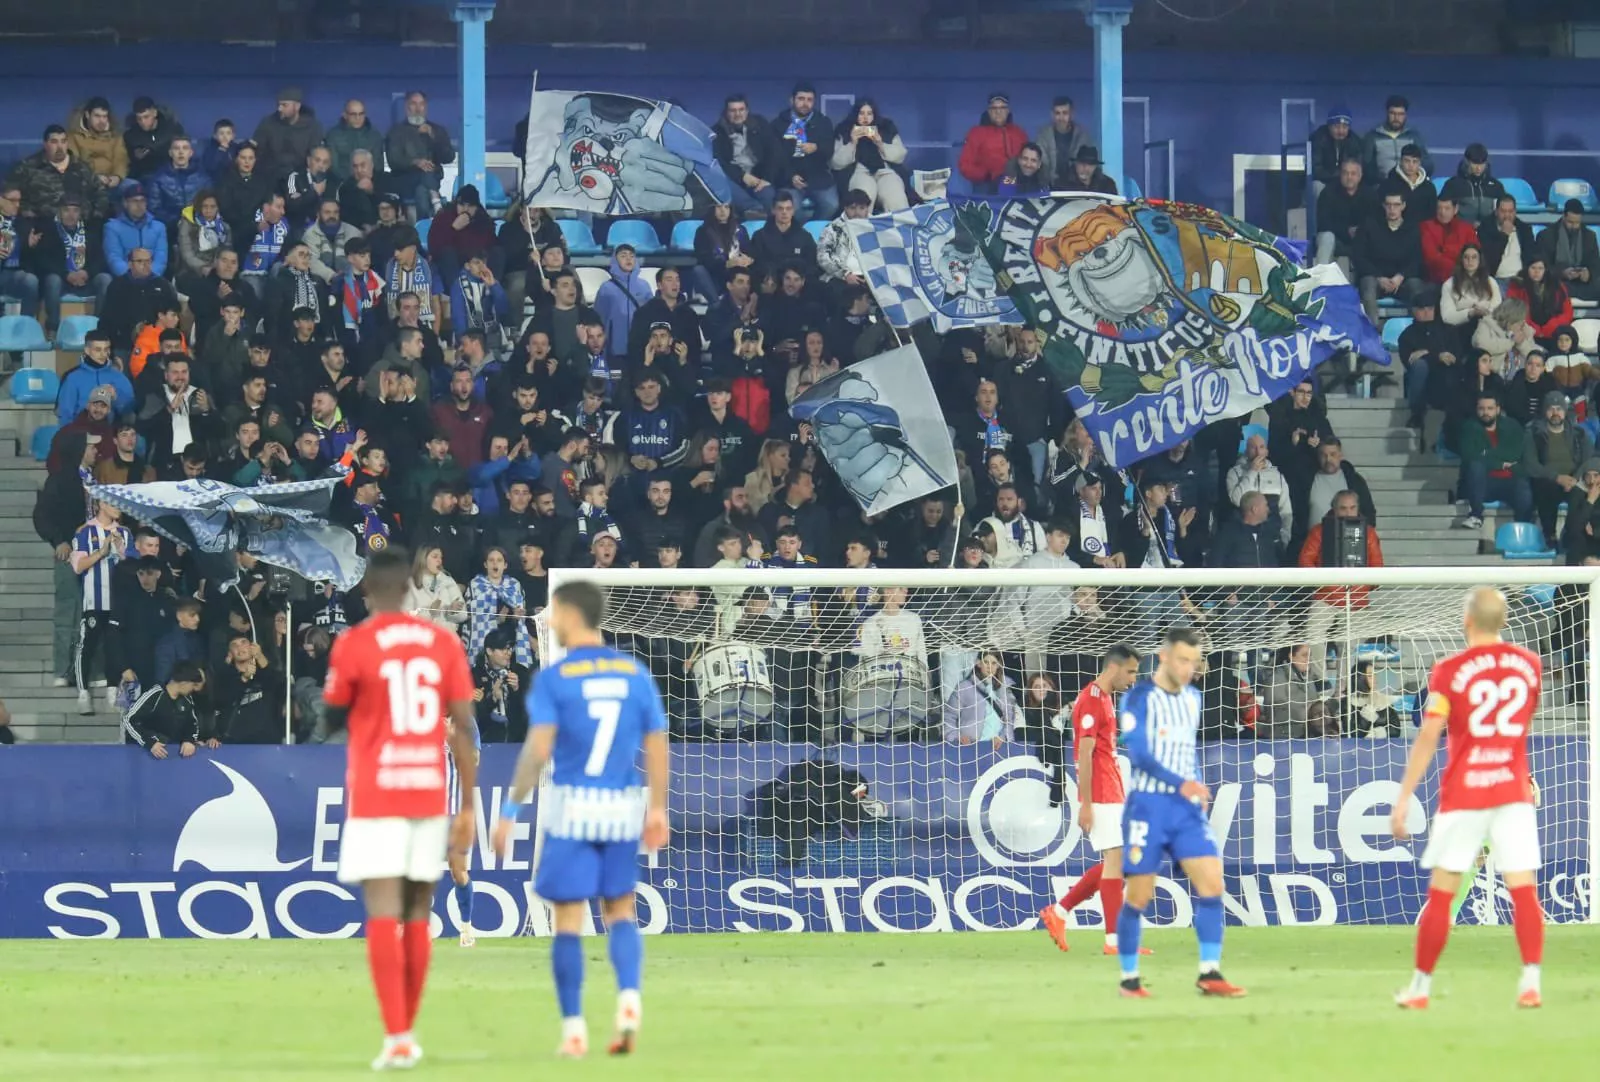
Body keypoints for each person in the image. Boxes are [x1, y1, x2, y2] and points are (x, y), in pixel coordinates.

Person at [492, 580, 670, 1058]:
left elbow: (538, 749)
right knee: (620, 912)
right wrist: (657, 808)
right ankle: (629, 1001)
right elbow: (656, 741)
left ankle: (573, 1028)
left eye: (552, 612)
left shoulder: (555, 678)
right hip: (621, 809)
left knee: (568, 919)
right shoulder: (633, 672)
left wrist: (510, 810)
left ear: (571, 614)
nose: (548, 621)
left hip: (572, 809)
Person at [321, 547, 478, 1070]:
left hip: (376, 793)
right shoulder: (442, 643)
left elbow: (329, 716)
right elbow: (464, 735)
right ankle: (409, 1028)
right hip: (428, 793)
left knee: (382, 912)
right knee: (417, 913)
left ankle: (398, 1036)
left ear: (368, 589)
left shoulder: (355, 643)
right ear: (412, 586)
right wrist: (469, 807)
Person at [1390, 587, 1544, 1010]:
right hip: (1512, 790)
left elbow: (1429, 734)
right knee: (1523, 890)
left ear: (1467, 621)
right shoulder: (1530, 666)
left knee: (1442, 893)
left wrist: (1404, 797)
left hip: (1466, 793)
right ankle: (1531, 982)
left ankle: (1420, 989)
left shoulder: (1449, 670)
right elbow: (1517, 728)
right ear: (1504, 621)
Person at [1113, 627, 1244, 999]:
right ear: (1164, 656)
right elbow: (1138, 753)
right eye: (1183, 660)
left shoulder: (1193, 698)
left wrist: (1196, 784)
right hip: (1148, 808)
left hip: (1184, 810)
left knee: (1213, 885)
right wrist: (1180, 783)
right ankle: (1129, 980)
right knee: (1138, 898)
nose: (1189, 668)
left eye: (1194, 662)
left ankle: (1210, 972)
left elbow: (1186, 751)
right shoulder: (1139, 697)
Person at [1038, 644, 1144, 956]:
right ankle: (1113, 941)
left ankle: (1059, 912)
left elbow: (1101, 745)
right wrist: (1085, 802)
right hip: (1098, 790)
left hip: (1111, 787)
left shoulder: (1107, 699)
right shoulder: (1092, 699)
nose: (1134, 679)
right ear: (1113, 668)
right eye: (1131, 671)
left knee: (1118, 861)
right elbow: (1083, 752)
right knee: (1116, 859)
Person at [71, 499, 131, 714]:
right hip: (94, 601)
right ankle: (83, 693)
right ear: (101, 505)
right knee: (87, 646)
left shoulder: (124, 533)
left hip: (119, 601)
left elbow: (133, 567)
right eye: (114, 503)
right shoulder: (85, 532)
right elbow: (78, 566)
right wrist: (101, 552)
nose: (119, 508)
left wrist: (122, 552)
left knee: (115, 646)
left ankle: (113, 689)